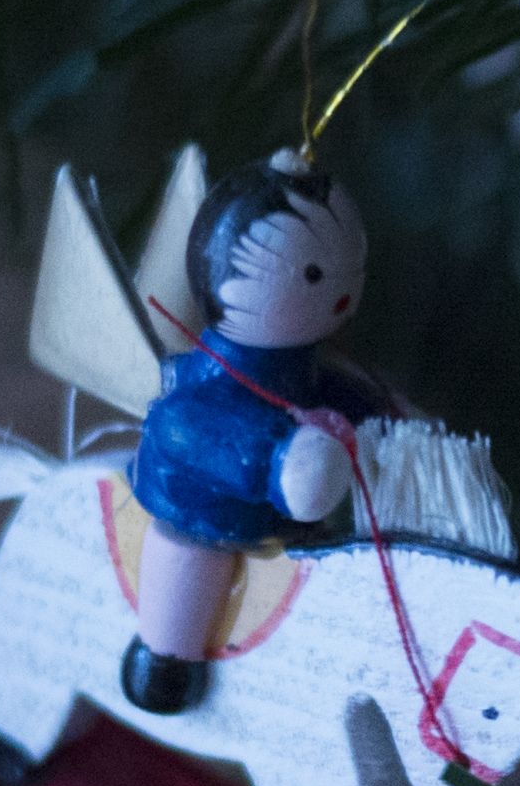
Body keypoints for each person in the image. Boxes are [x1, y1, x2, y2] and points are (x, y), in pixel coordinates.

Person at [122, 148, 377, 714]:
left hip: (292, 521)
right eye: (313, 275)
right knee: (193, 552)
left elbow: (332, 396)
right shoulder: (196, 392)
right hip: (210, 512)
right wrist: (277, 460)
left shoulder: (305, 367)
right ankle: (163, 655)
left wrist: (379, 417)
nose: (339, 293)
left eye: (349, 268)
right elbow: (182, 427)